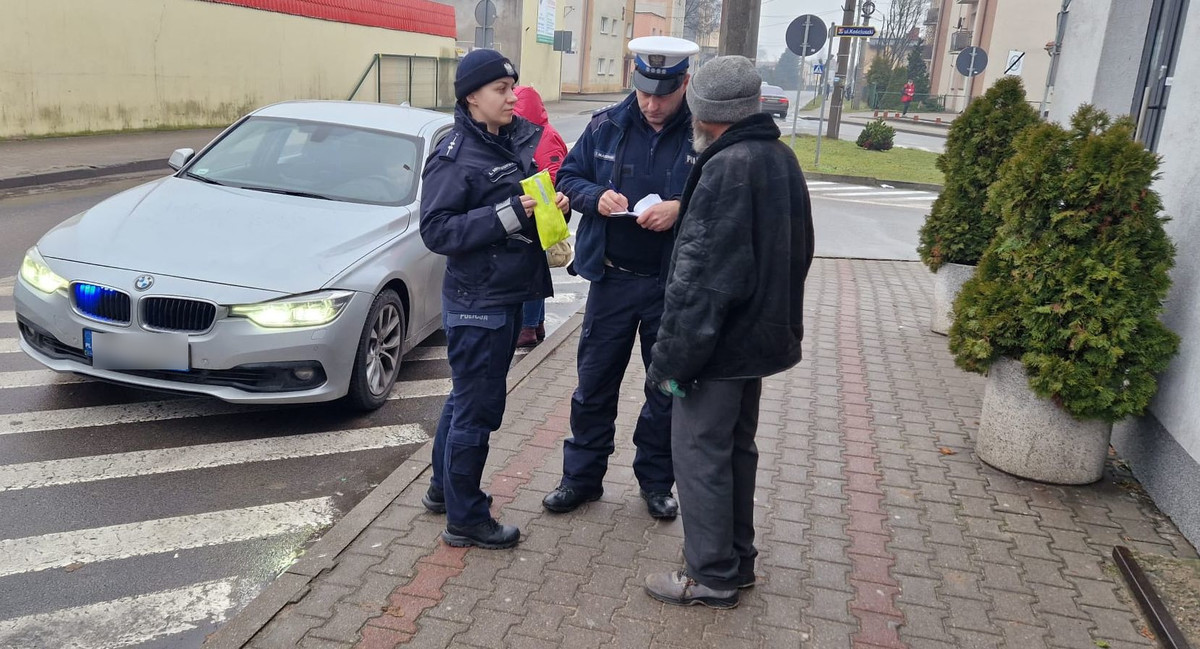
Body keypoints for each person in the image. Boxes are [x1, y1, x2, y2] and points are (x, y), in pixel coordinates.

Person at [642, 55, 815, 608]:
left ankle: (711, 575)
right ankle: (737, 562)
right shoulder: (779, 157)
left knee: (699, 454)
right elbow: (801, 250)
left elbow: (700, 281)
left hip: (716, 346)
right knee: (735, 450)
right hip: (755, 342)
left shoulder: (726, 167)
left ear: (702, 110)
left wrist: (670, 363)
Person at [543, 36, 700, 519]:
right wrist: (596, 197)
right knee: (593, 384)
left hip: (672, 286)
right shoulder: (605, 125)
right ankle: (581, 479)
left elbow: (723, 197)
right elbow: (568, 178)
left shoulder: (704, 133)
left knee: (666, 389)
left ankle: (655, 483)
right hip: (612, 280)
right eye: (645, 92)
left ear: (685, 83)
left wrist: (680, 209)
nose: (652, 105)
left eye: (664, 94)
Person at [419, 49, 569, 549]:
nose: (512, 98)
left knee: (465, 400)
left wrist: (551, 205)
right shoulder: (456, 155)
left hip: (505, 293)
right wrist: (508, 215)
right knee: (477, 411)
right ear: (471, 97)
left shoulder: (508, 139)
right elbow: (437, 230)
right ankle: (466, 518)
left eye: (513, 88)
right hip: (478, 302)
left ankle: (443, 489)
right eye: (501, 90)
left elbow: (522, 203)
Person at [513, 85, 570, 348]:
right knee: (537, 268)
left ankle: (527, 327)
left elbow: (556, 173)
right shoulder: (546, 132)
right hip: (542, 208)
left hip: (540, 209)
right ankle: (537, 324)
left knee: (531, 270)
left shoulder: (538, 135)